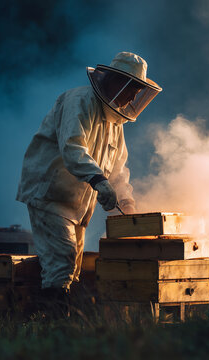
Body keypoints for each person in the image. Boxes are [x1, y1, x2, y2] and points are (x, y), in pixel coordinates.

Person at [16, 52, 162, 313]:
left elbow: (117, 168)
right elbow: (73, 147)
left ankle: (56, 326)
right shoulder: (79, 101)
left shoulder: (114, 121)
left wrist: (127, 202)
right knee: (61, 263)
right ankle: (50, 329)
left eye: (137, 92)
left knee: (71, 270)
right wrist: (97, 179)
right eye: (131, 90)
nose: (132, 98)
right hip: (49, 194)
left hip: (78, 204)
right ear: (117, 81)